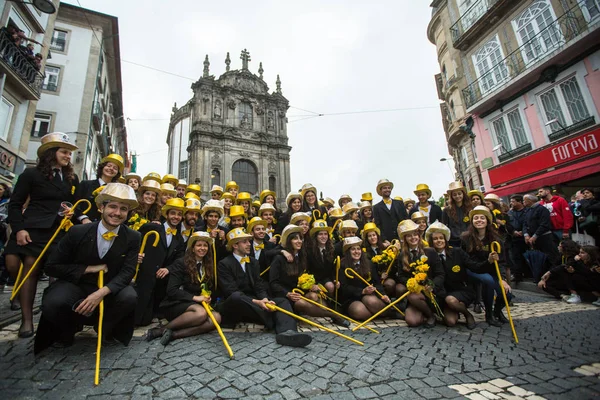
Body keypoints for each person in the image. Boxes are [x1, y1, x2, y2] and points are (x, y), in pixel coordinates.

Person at [34, 183, 140, 353]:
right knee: (54, 302)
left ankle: (105, 329)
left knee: (129, 297)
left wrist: (101, 293)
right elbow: (52, 267)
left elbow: (128, 272)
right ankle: (68, 329)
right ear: (101, 207)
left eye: (123, 209)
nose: (117, 213)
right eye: (112, 206)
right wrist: (87, 269)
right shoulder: (77, 232)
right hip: (76, 285)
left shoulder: (133, 237)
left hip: (108, 288)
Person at [4, 133, 79, 338]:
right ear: (50, 153)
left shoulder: (72, 178)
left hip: (60, 231)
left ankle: (53, 321)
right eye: (64, 152)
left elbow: (72, 202)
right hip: (34, 229)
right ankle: (26, 321)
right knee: (31, 270)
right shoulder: (31, 174)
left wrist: (71, 212)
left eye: (69, 153)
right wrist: (19, 229)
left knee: (57, 274)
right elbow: (15, 204)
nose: (68, 156)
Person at [217, 228, 312, 347]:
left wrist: (265, 299)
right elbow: (230, 291)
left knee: (281, 301)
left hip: (254, 301)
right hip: (236, 304)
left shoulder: (253, 262)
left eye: (249, 241)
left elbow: (259, 286)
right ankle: (271, 319)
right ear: (235, 245)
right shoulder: (224, 264)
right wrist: (258, 302)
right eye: (245, 242)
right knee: (236, 297)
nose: (249, 244)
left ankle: (288, 332)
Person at [149, 231, 221, 345]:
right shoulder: (180, 263)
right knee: (200, 314)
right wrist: (196, 298)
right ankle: (160, 330)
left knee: (216, 318)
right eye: (199, 245)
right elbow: (172, 291)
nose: (202, 248)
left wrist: (208, 296)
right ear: (192, 248)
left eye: (205, 245)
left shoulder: (209, 264)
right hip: (177, 303)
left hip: (198, 304)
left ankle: (174, 335)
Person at [270, 225, 348, 326]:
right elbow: (273, 283)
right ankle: (334, 315)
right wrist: (287, 293)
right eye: (295, 239)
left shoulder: (302, 257)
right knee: (300, 303)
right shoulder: (279, 259)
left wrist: (311, 285)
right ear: (289, 241)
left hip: (300, 292)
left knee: (314, 296)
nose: (299, 241)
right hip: (285, 294)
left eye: (300, 238)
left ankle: (331, 311)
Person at [134, 198, 186, 326]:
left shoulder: (179, 238)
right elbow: (134, 242)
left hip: (160, 280)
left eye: (179, 214)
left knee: (146, 319)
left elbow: (179, 259)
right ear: (166, 214)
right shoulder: (152, 227)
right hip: (143, 276)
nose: (176, 217)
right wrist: (135, 256)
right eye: (173, 213)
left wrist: (168, 269)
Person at [461, 205, 512, 327]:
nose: (479, 220)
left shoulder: (496, 239)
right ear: (472, 221)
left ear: (487, 221)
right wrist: (487, 262)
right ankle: (489, 315)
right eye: (476, 218)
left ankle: (497, 311)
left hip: (491, 271)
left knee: (507, 293)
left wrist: (503, 279)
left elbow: (502, 261)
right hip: (473, 270)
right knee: (488, 281)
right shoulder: (465, 238)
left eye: (482, 218)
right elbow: (468, 261)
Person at [391, 220, 444, 328]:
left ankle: (430, 313)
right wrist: (412, 283)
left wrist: (432, 285)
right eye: (409, 236)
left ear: (419, 236)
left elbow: (440, 274)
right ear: (405, 239)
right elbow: (401, 276)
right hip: (415, 294)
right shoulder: (402, 255)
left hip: (431, 292)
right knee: (412, 322)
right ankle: (429, 314)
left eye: (415, 234)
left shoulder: (430, 252)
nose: (413, 238)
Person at [426, 222, 477, 329]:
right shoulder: (427, 256)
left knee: (451, 300)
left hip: (460, 290)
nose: (439, 241)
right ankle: (455, 309)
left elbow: (474, 266)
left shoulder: (457, 252)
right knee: (450, 322)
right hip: (441, 294)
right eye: (435, 239)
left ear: (445, 239)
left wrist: (489, 262)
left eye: (441, 238)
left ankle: (467, 314)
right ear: (431, 241)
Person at [338, 236, 390, 321]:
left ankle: (387, 312)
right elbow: (344, 288)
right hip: (351, 298)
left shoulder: (369, 264)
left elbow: (376, 282)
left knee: (370, 301)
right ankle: (378, 314)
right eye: (353, 249)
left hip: (368, 295)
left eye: (358, 249)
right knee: (359, 312)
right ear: (348, 252)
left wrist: (383, 295)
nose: (356, 252)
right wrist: (362, 291)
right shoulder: (342, 266)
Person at [75, 154, 124, 223]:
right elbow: (76, 204)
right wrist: (83, 218)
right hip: (82, 225)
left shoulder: (116, 191)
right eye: (109, 166)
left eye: (115, 168)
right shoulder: (85, 184)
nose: (111, 169)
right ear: (102, 167)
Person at [523, 194, 561, 276]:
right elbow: (525, 224)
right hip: (534, 239)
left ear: (530, 200)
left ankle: (554, 276)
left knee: (551, 257)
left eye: (524, 200)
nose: (523, 202)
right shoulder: (527, 211)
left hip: (545, 237)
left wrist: (535, 236)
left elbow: (544, 224)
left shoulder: (542, 209)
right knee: (540, 259)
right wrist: (526, 234)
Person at [373, 179, 408, 246]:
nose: (387, 190)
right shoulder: (376, 207)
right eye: (385, 188)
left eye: (389, 188)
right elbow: (378, 225)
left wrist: (405, 235)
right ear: (381, 190)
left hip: (402, 237)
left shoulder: (399, 203)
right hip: (388, 241)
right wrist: (384, 239)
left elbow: (406, 220)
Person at [307, 219, 337, 295]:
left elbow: (334, 268)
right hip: (314, 280)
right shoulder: (309, 251)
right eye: (320, 234)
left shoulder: (332, 249)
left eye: (325, 234)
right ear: (316, 236)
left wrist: (335, 280)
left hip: (327, 279)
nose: (323, 237)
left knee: (330, 286)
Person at [441, 182, 472, 248]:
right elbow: (444, 226)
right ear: (451, 196)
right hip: (453, 242)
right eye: (454, 194)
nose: (457, 196)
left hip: (469, 240)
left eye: (459, 194)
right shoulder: (446, 210)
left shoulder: (470, 208)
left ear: (463, 194)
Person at [508, 195, 529, 282]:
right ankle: (518, 275)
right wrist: (513, 232)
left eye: (513, 201)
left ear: (519, 202)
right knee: (516, 257)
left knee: (527, 256)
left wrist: (524, 233)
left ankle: (529, 273)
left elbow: (527, 222)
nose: (511, 203)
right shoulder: (510, 213)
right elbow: (508, 224)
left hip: (526, 237)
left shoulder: (527, 211)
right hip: (514, 238)